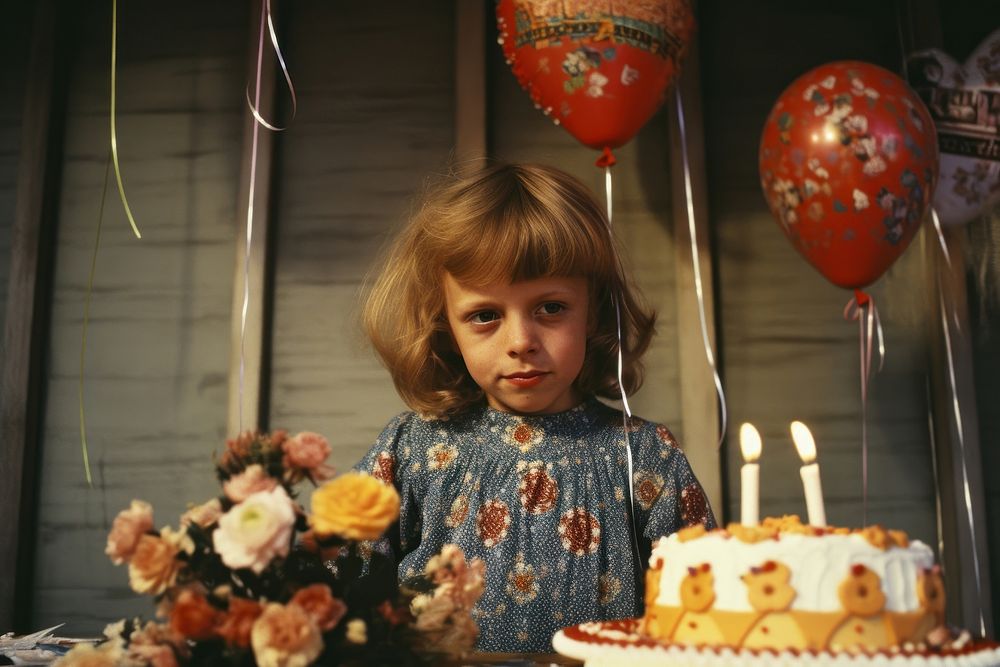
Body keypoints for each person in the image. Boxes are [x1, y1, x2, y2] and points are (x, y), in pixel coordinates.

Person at [355, 162, 716, 652]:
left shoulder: (646, 458)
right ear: (445, 324)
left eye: (550, 307)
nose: (521, 341)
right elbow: (333, 594)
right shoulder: (412, 450)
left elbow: (703, 618)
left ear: (594, 309)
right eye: (485, 315)